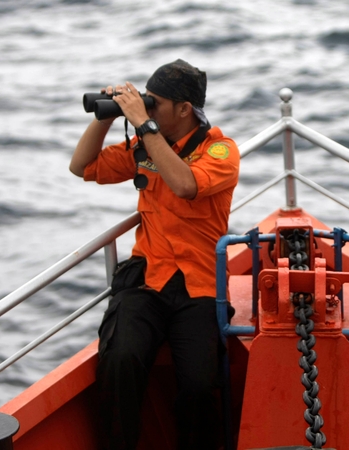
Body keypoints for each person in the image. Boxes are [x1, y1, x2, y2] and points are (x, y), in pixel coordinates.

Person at [69, 59, 240, 450]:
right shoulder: (143, 144)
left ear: (184, 109)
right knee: (119, 361)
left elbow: (183, 183)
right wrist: (107, 115)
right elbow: (82, 167)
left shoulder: (221, 151)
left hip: (197, 285)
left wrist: (144, 127)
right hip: (147, 277)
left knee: (199, 384)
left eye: (154, 103)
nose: (146, 110)